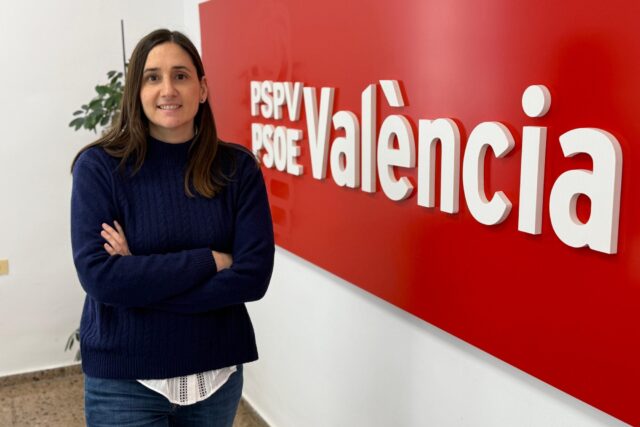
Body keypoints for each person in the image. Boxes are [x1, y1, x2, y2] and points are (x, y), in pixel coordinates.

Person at [70, 29, 274, 427]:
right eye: (153, 77)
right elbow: (101, 278)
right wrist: (210, 261)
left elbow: (253, 278)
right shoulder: (100, 168)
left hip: (217, 374)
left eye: (180, 75)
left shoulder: (238, 169)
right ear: (136, 91)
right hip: (124, 382)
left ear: (202, 88)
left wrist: (138, 279)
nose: (168, 89)